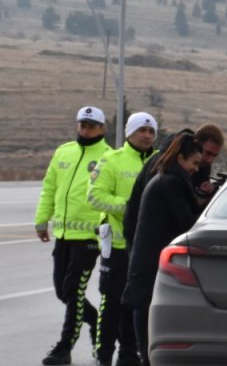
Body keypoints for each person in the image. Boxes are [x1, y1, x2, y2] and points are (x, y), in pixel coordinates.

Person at [34, 106, 113, 365]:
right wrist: (41, 220)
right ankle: (97, 324)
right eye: (82, 124)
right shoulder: (64, 151)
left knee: (73, 290)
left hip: (89, 238)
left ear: (102, 128)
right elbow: (50, 187)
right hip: (64, 234)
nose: (85, 129)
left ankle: (64, 347)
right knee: (63, 291)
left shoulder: (108, 157)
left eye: (91, 125)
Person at [121, 132, 202, 366]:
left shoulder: (163, 178)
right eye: (194, 163)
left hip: (146, 257)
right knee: (145, 312)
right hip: (152, 260)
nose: (196, 169)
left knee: (143, 309)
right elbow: (186, 222)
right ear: (180, 159)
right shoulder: (172, 183)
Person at [87, 111, 158, 366]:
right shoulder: (111, 160)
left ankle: (128, 356)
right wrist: (130, 206)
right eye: (142, 130)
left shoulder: (160, 162)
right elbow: (95, 196)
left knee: (135, 304)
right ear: (129, 132)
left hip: (143, 248)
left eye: (151, 132)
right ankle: (103, 355)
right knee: (112, 302)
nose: (147, 136)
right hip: (117, 245)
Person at [122, 123, 224, 246]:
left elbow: (187, 202)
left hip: (169, 236)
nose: (210, 160)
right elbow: (169, 210)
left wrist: (202, 196)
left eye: (214, 156)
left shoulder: (200, 165)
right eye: (207, 153)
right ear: (196, 143)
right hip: (142, 235)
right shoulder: (163, 165)